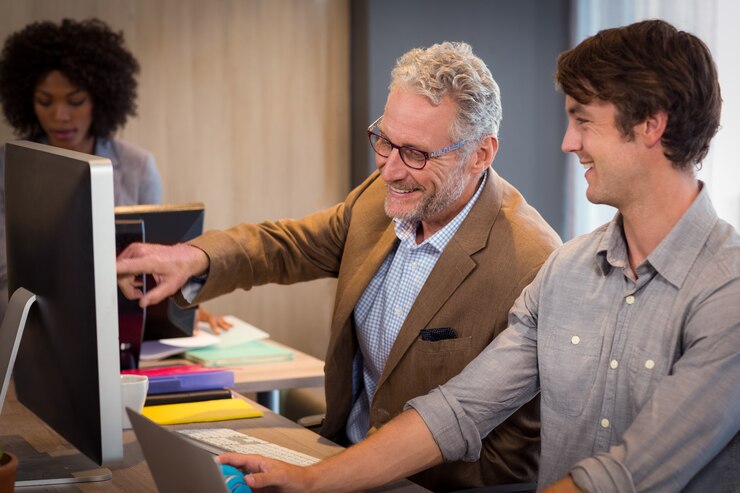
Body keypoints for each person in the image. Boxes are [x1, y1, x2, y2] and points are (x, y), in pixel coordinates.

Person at [214, 19, 740, 493]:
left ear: (652, 125)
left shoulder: (727, 290)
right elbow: (457, 409)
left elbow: (629, 473)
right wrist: (313, 482)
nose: (567, 142)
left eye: (584, 121)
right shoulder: (569, 272)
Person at [117, 42, 562, 490]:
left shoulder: (531, 261)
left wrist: (345, 476)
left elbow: (512, 449)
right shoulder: (380, 197)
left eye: (416, 153)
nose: (389, 170)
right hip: (339, 457)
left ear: (481, 154)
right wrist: (192, 256)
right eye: (385, 141)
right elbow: (287, 245)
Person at [0, 18, 227, 332]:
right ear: (27, 100)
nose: (60, 115)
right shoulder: (10, 165)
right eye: (45, 101)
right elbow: (5, 273)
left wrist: (182, 309)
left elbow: (155, 262)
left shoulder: (138, 166)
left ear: (100, 98)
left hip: (121, 326)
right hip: (35, 328)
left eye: (76, 101)